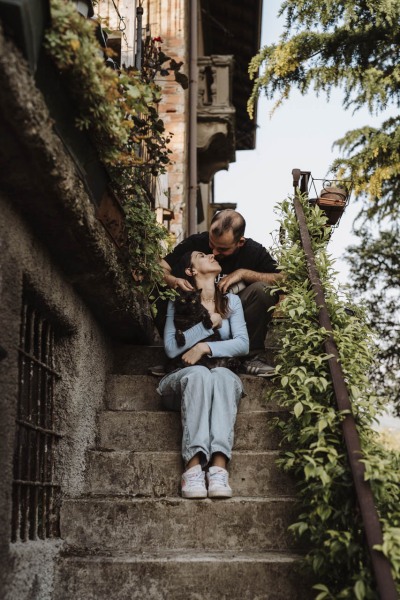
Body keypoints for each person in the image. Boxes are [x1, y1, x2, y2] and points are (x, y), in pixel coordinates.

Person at [156, 250, 249, 499]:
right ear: (191, 270)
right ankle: (193, 469)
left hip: (219, 378)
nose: (210, 254)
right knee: (199, 374)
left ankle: (218, 468)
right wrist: (207, 325)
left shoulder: (231, 301)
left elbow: (242, 344)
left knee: (220, 375)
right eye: (200, 255)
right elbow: (172, 348)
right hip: (181, 381)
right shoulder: (178, 300)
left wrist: (204, 347)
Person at [156, 209, 283, 376]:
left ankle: (251, 358)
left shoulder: (253, 251)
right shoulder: (195, 243)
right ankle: (175, 359)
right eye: (211, 244)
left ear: (240, 242)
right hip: (191, 314)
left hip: (230, 314)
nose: (214, 253)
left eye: (222, 249)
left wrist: (243, 273)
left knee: (262, 290)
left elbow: (284, 279)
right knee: (164, 288)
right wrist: (173, 281)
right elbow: (159, 269)